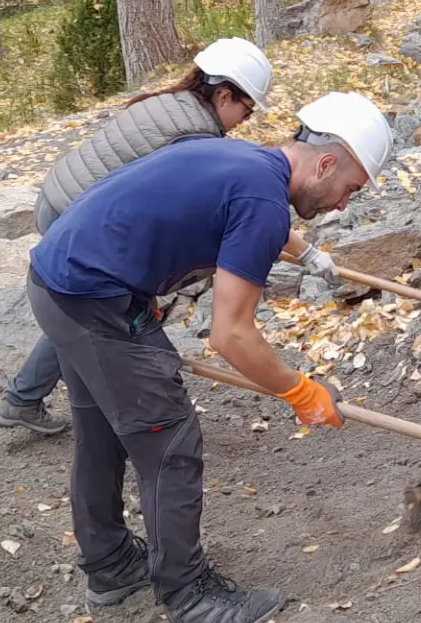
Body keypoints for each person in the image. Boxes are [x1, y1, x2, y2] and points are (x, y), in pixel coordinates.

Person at [27, 92, 391, 622]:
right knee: (170, 438)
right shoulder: (263, 200)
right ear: (327, 163)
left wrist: (306, 253)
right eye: (349, 189)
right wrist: (300, 391)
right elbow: (231, 335)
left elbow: (241, 217)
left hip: (58, 282)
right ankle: (189, 595)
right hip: (91, 299)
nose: (343, 204)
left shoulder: (245, 162)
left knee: (103, 431)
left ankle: (109, 566)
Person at [0, 38, 338, 435]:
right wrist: (303, 250)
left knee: (84, 312)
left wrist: (304, 251)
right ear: (223, 95)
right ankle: (33, 399)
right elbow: (244, 208)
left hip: (59, 195)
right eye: (247, 107)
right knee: (91, 308)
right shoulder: (194, 134)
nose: (246, 118)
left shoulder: (172, 104)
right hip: (77, 215)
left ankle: (49, 400)